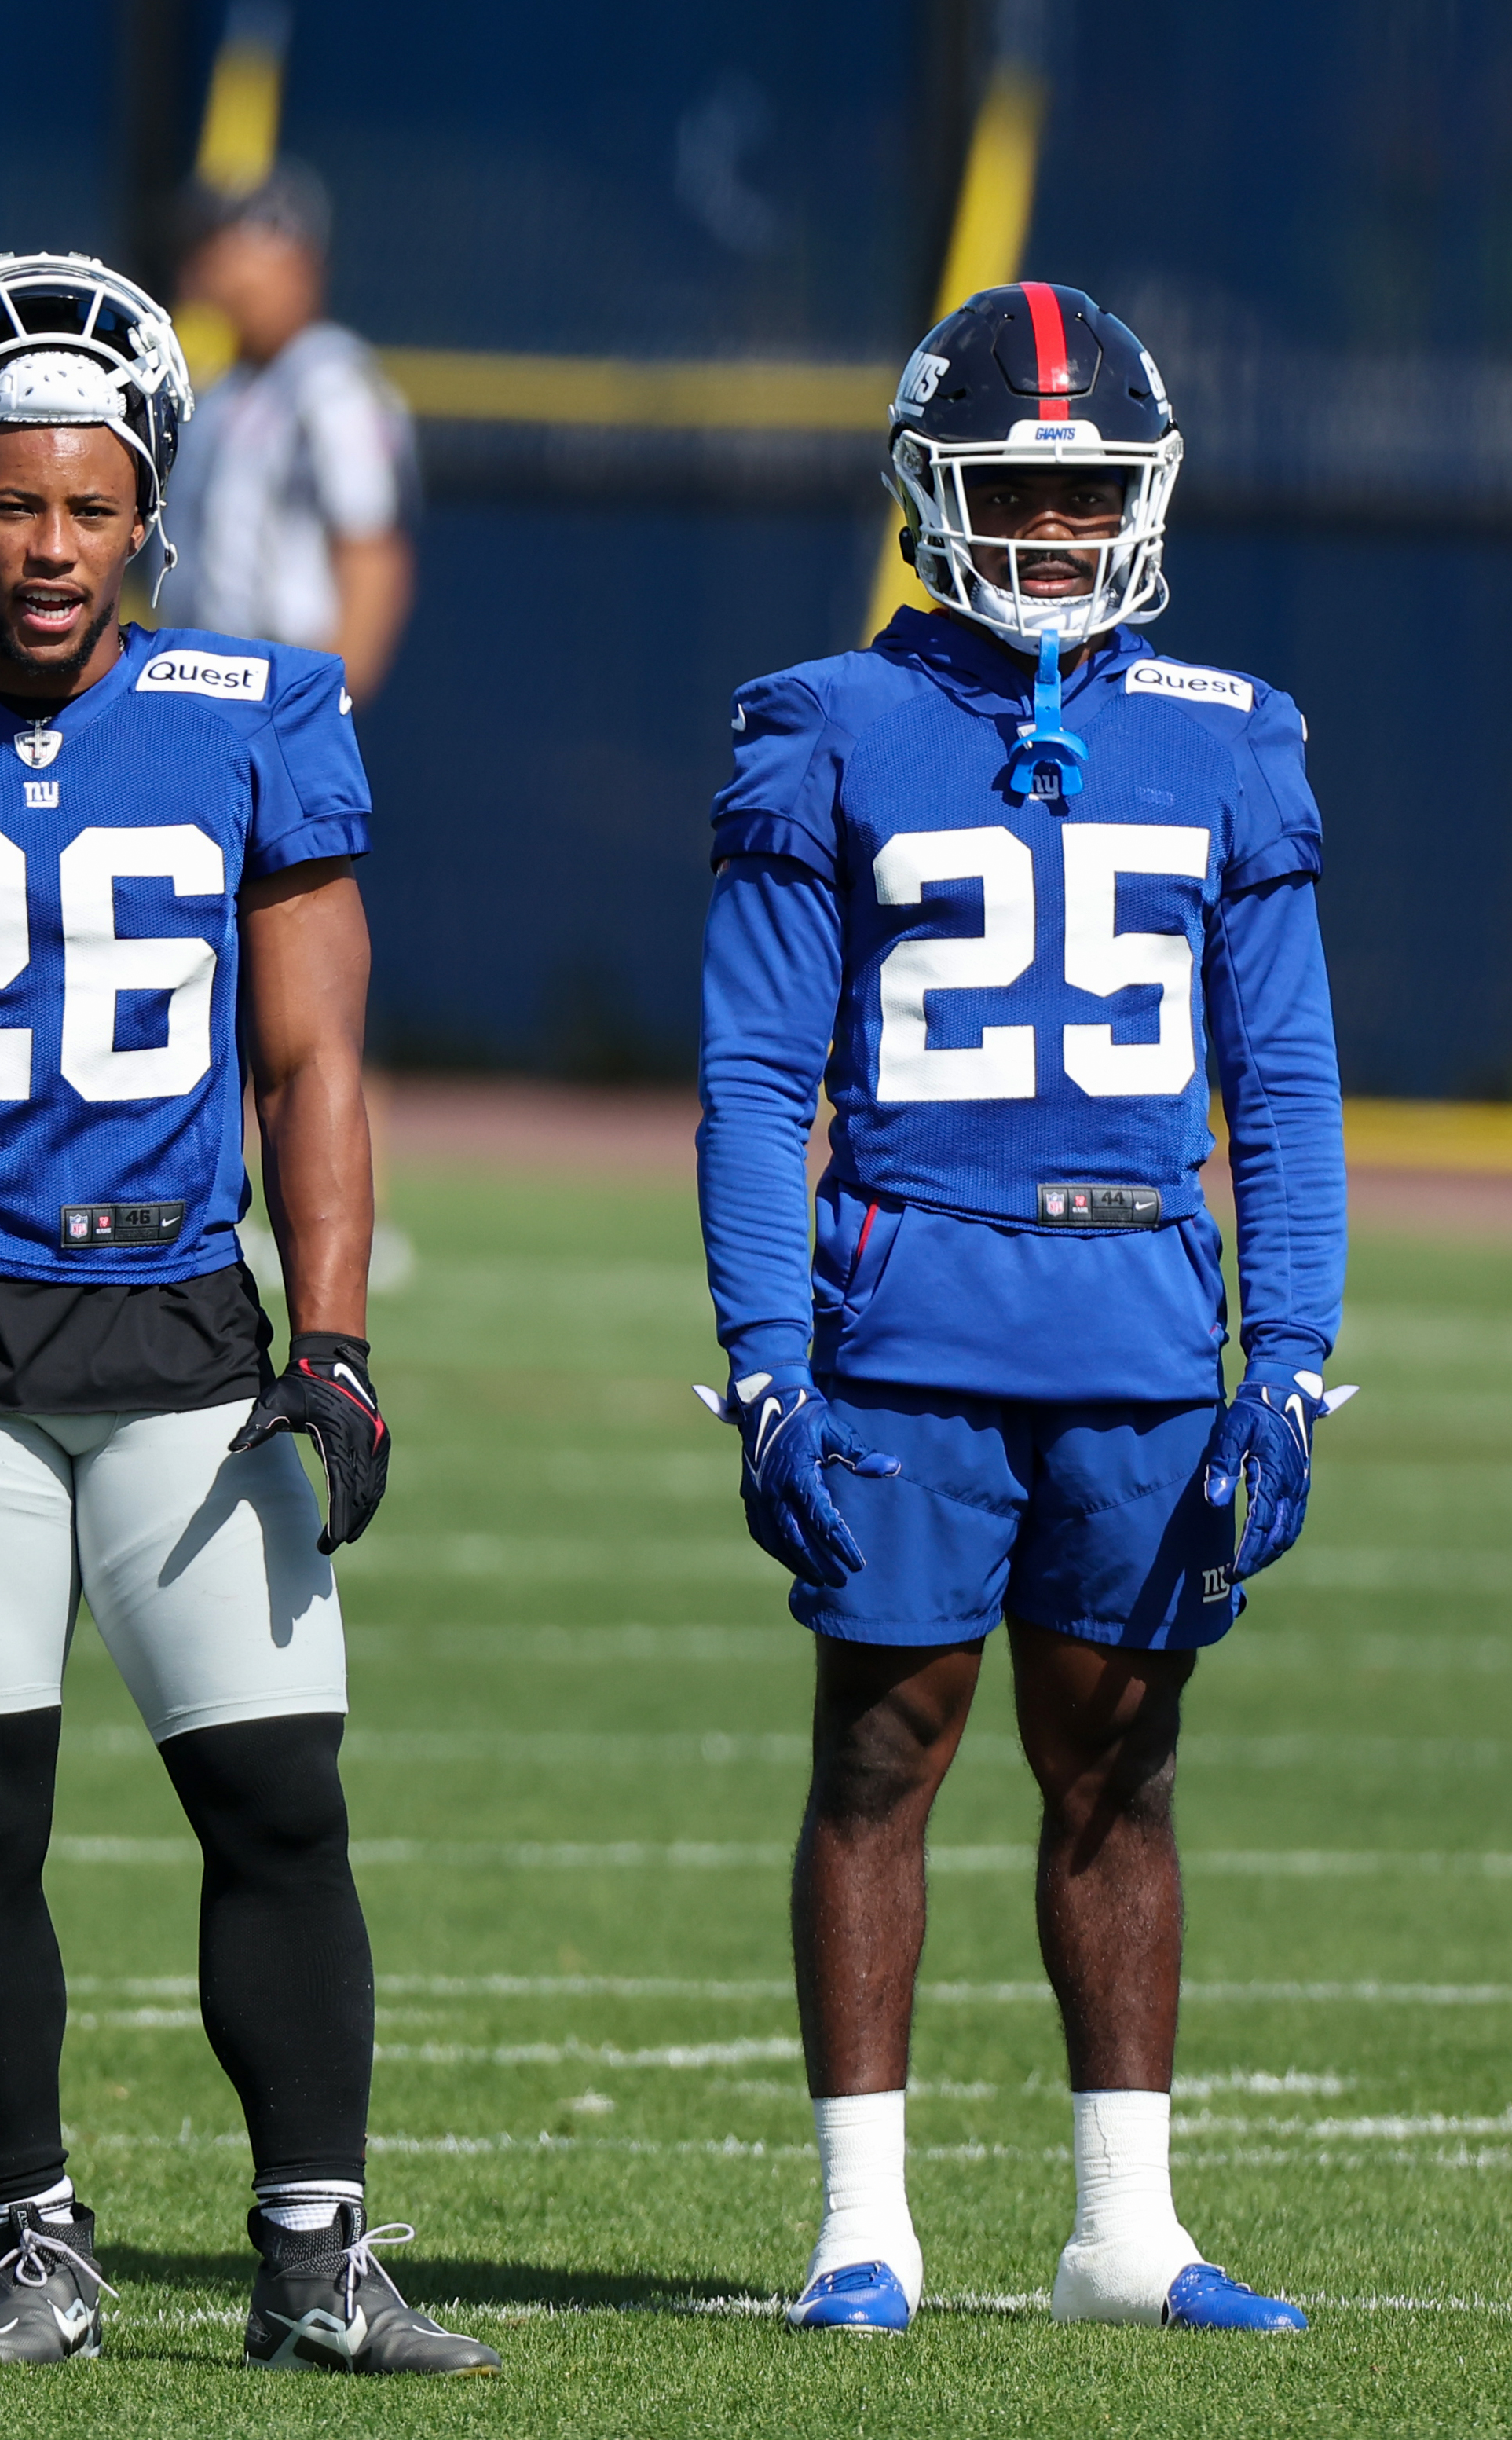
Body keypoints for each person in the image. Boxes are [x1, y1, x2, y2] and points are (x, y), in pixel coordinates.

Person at [0, 252, 496, 2380]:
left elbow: (312, 1059)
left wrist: (329, 1335)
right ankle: (30, 2242)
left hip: (178, 1330)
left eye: (87, 504)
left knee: (275, 1796)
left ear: (149, 504)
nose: (47, 548)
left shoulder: (256, 712)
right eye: (6, 502)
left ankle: (312, 2259)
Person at [695, 282, 1347, 2336]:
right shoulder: (825, 721)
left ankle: (1118, 2231)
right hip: (907, 1306)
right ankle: (858, 2223)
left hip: (1138, 1325)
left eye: (1082, 492)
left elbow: (1284, 1081)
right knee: (880, 1748)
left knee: (1121, 1762)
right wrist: (760, 1361)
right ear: (926, 492)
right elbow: (749, 1076)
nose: (1052, 531)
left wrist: (1290, 1360)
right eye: (1013, 489)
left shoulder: (1227, 736)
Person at [156, 159, 419, 1295]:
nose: (212, 264)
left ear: (288, 251)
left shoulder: (329, 384)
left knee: (305, 971)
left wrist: (329, 717)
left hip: (277, 710)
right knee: (205, 966)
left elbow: (372, 552)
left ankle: (349, 1208)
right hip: (203, 714)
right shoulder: (226, 390)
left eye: (232, 242)